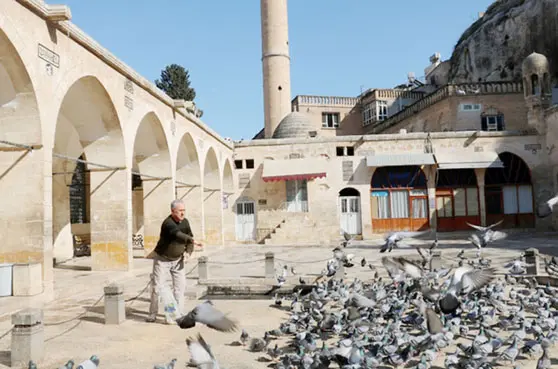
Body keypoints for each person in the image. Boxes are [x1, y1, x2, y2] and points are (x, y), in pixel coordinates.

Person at [146, 199, 202, 324]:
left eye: (184, 210)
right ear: (172, 211)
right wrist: (193, 241)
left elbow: (189, 238)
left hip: (178, 260)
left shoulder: (185, 222)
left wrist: (188, 251)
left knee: (180, 288)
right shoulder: (168, 223)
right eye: (180, 211)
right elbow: (177, 234)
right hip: (163, 260)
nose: (183, 213)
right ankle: (152, 313)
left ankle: (177, 314)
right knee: (158, 288)